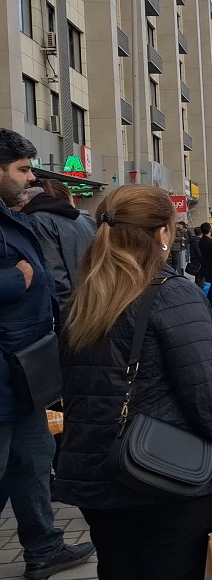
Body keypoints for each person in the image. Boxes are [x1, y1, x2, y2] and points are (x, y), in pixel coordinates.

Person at [58, 184, 212, 578]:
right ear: (163, 233)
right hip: (167, 473)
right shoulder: (174, 295)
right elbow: (206, 396)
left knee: (117, 569)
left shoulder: (84, 297)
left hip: (95, 471)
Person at [0, 129, 95, 579]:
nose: (29, 178)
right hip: (4, 368)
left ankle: (43, 548)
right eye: (21, 169)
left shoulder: (10, 216)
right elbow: (34, 279)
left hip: (26, 367)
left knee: (34, 463)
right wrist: (17, 281)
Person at [21, 183, 96, 326]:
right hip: (94, 308)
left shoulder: (38, 221)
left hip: (69, 316)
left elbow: (55, 279)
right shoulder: (87, 221)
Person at [198, 223, 212, 309]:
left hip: (207, 266)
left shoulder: (202, 241)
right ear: (210, 230)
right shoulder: (210, 242)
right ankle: (211, 306)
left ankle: (210, 305)